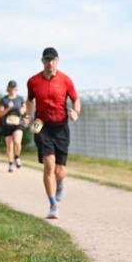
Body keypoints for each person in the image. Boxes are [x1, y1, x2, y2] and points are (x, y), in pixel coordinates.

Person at [23, 47, 80, 219]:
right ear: (42, 61)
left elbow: (75, 99)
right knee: (49, 164)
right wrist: (28, 115)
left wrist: (75, 112)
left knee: (60, 170)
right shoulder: (33, 81)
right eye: (47, 60)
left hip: (61, 126)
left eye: (53, 60)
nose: (50, 63)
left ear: (58, 60)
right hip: (41, 125)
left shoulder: (66, 80)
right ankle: (53, 204)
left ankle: (60, 183)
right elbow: (30, 100)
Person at [0, 80, 26, 172]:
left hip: (18, 123)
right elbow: (1, 113)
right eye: (11, 87)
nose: (13, 89)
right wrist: (9, 108)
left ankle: (17, 157)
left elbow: (24, 110)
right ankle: (10, 164)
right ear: (8, 88)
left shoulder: (20, 98)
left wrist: (22, 110)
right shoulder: (4, 99)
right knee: (9, 146)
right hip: (7, 125)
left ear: (16, 88)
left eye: (14, 88)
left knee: (17, 142)